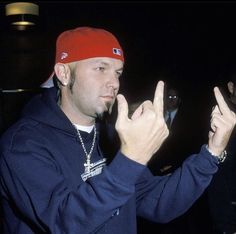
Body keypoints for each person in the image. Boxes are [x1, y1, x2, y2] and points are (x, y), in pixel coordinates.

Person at [0, 26, 235, 234]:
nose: (114, 82)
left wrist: (212, 152)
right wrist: (132, 158)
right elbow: (64, 222)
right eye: (101, 68)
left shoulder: (110, 136)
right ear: (63, 73)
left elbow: (158, 203)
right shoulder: (22, 143)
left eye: (118, 72)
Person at [206, 75, 236, 234]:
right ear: (231, 87)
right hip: (228, 212)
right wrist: (226, 224)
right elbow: (215, 168)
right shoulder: (219, 116)